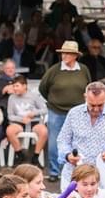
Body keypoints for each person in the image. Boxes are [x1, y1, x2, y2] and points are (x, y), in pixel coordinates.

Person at [56, 81, 105, 189]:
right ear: (85, 97)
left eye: (100, 105)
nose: (96, 109)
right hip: (74, 176)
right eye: (92, 105)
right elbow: (63, 140)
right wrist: (68, 155)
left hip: (103, 179)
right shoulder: (74, 113)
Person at [38, 40, 91, 182]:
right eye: (63, 53)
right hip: (56, 110)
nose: (65, 56)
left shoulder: (84, 69)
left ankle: (76, 169)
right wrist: (53, 100)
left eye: (68, 53)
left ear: (75, 55)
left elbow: (88, 87)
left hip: (78, 112)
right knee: (55, 142)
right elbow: (43, 88)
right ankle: (55, 171)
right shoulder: (54, 70)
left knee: (78, 141)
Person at [4, 75, 48, 167]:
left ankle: (36, 156)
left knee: (44, 131)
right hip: (19, 122)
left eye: (17, 86)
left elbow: (44, 110)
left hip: (33, 121)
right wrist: (21, 119)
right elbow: (10, 115)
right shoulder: (12, 98)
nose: (15, 89)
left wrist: (34, 113)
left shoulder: (33, 96)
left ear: (24, 86)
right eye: (14, 86)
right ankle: (19, 154)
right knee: (9, 131)